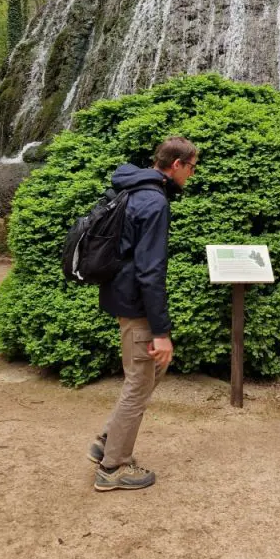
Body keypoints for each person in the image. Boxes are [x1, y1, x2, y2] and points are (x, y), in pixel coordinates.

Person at [88, 135, 198, 492]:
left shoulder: (132, 188)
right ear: (177, 165)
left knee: (149, 372)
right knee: (140, 382)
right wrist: (161, 331)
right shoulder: (154, 201)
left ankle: (107, 440)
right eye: (192, 168)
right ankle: (113, 467)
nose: (192, 175)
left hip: (120, 296)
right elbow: (151, 272)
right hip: (136, 305)